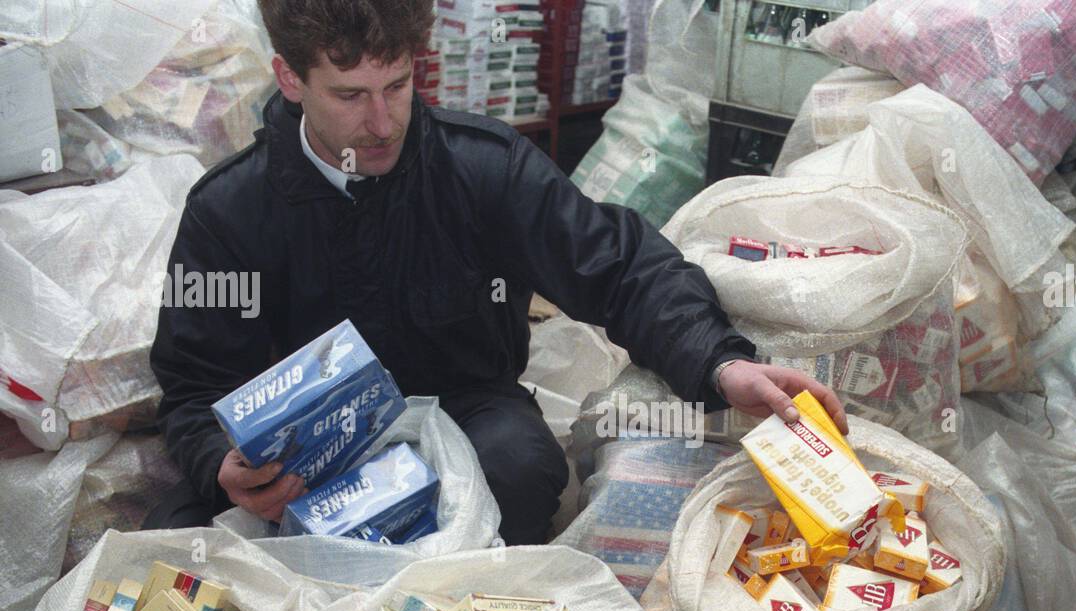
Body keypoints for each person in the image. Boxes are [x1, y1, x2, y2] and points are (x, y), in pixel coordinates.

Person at [146, 0, 848, 545]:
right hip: (310, 453)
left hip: (463, 407)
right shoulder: (230, 211)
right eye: (351, 95)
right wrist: (219, 462)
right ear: (289, 79)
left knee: (521, 464)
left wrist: (723, 364)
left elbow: (616, 265)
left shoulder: (480, 168)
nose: (384, 122)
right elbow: (192, 382)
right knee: (175, 537)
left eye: (398, 84)